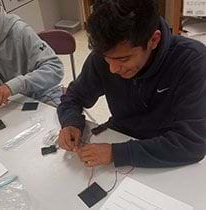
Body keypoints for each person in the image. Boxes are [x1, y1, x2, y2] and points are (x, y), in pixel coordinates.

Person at [57, 0, 206, 168]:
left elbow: (192, 144)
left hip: (166, 152)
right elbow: (74, 96)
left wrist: (116, 153)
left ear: (154, 40)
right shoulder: (104, 54)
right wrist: (70, 122)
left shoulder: (192, 61)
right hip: (120, 134)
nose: (113, 69)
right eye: (107, 59)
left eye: (123, 59)